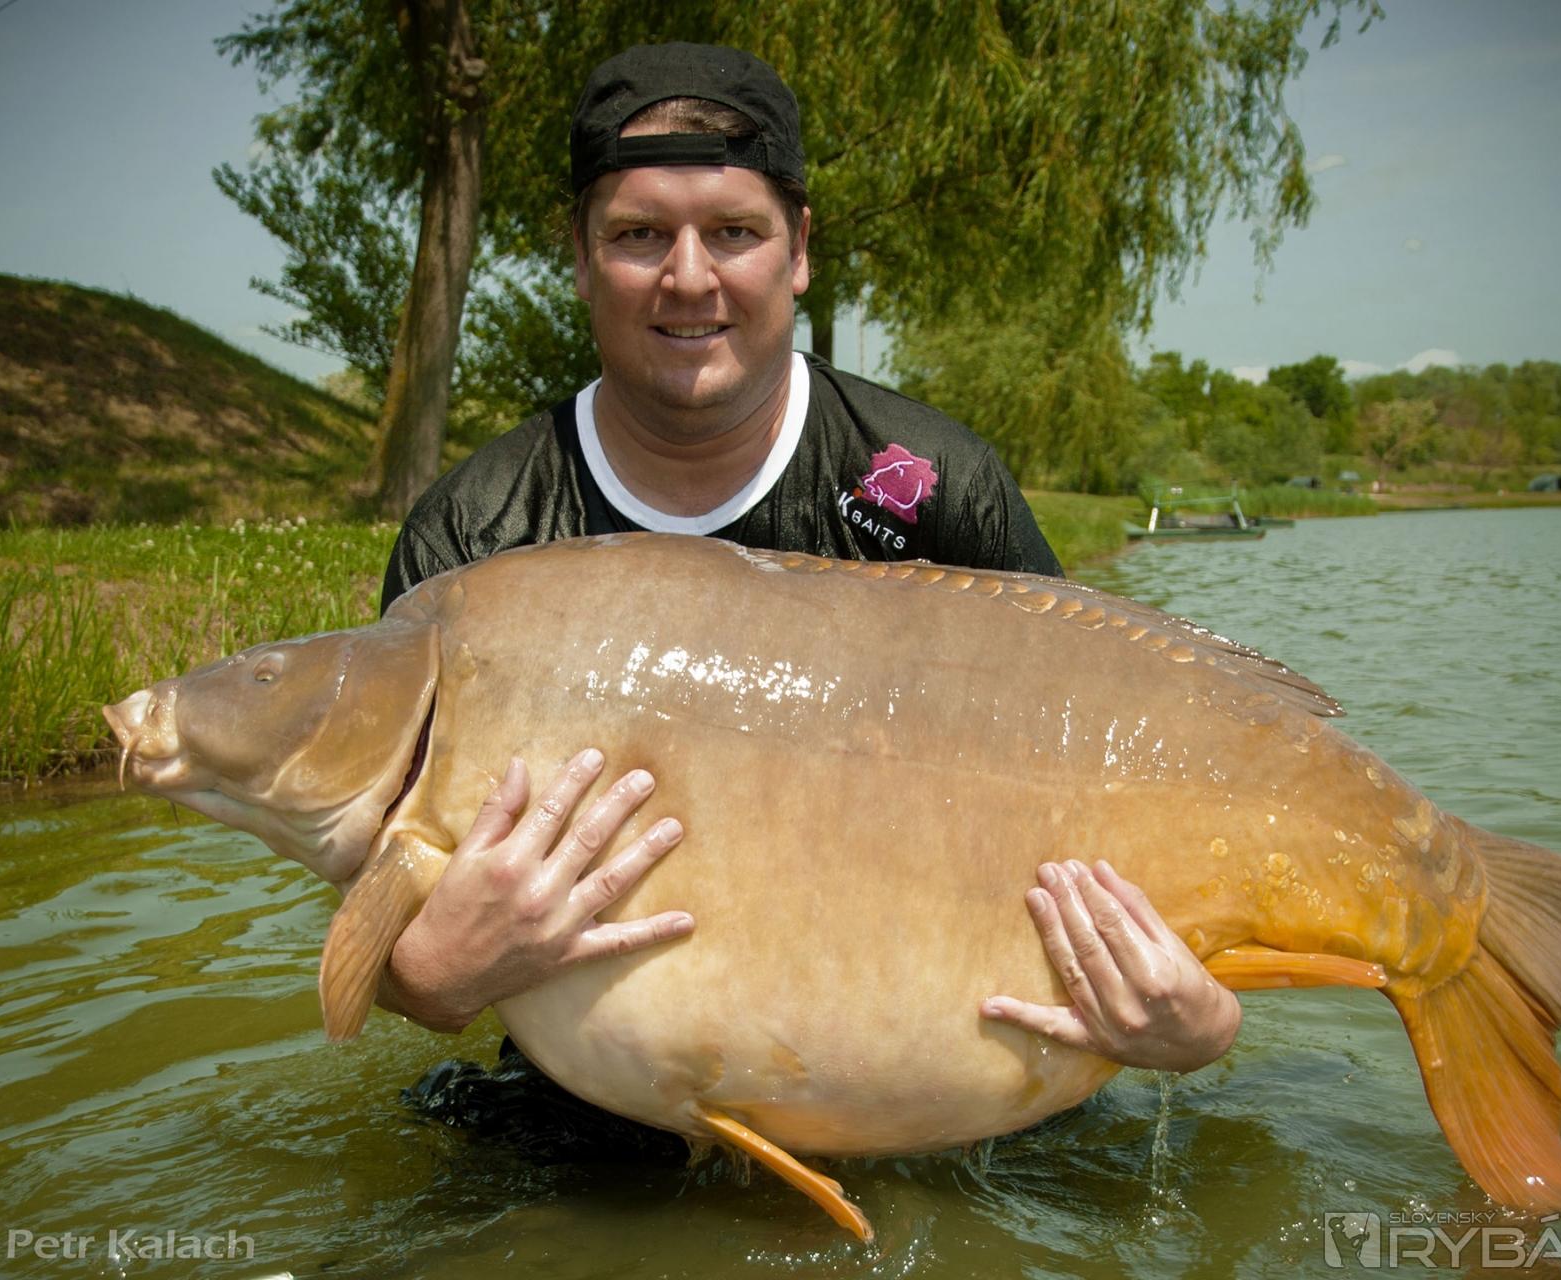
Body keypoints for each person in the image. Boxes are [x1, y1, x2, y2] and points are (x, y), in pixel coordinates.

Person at [375, 43, 1240, 1094]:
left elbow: (1114, 768)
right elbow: (386, 926)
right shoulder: (471, 542)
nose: (688, 276)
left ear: (797, 252)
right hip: (600, 1100)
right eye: (638, 234)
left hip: (941, 1079)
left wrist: (1201, 1016)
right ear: (577, 254)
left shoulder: (931, 484)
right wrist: (425, 977)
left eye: (733, 232)